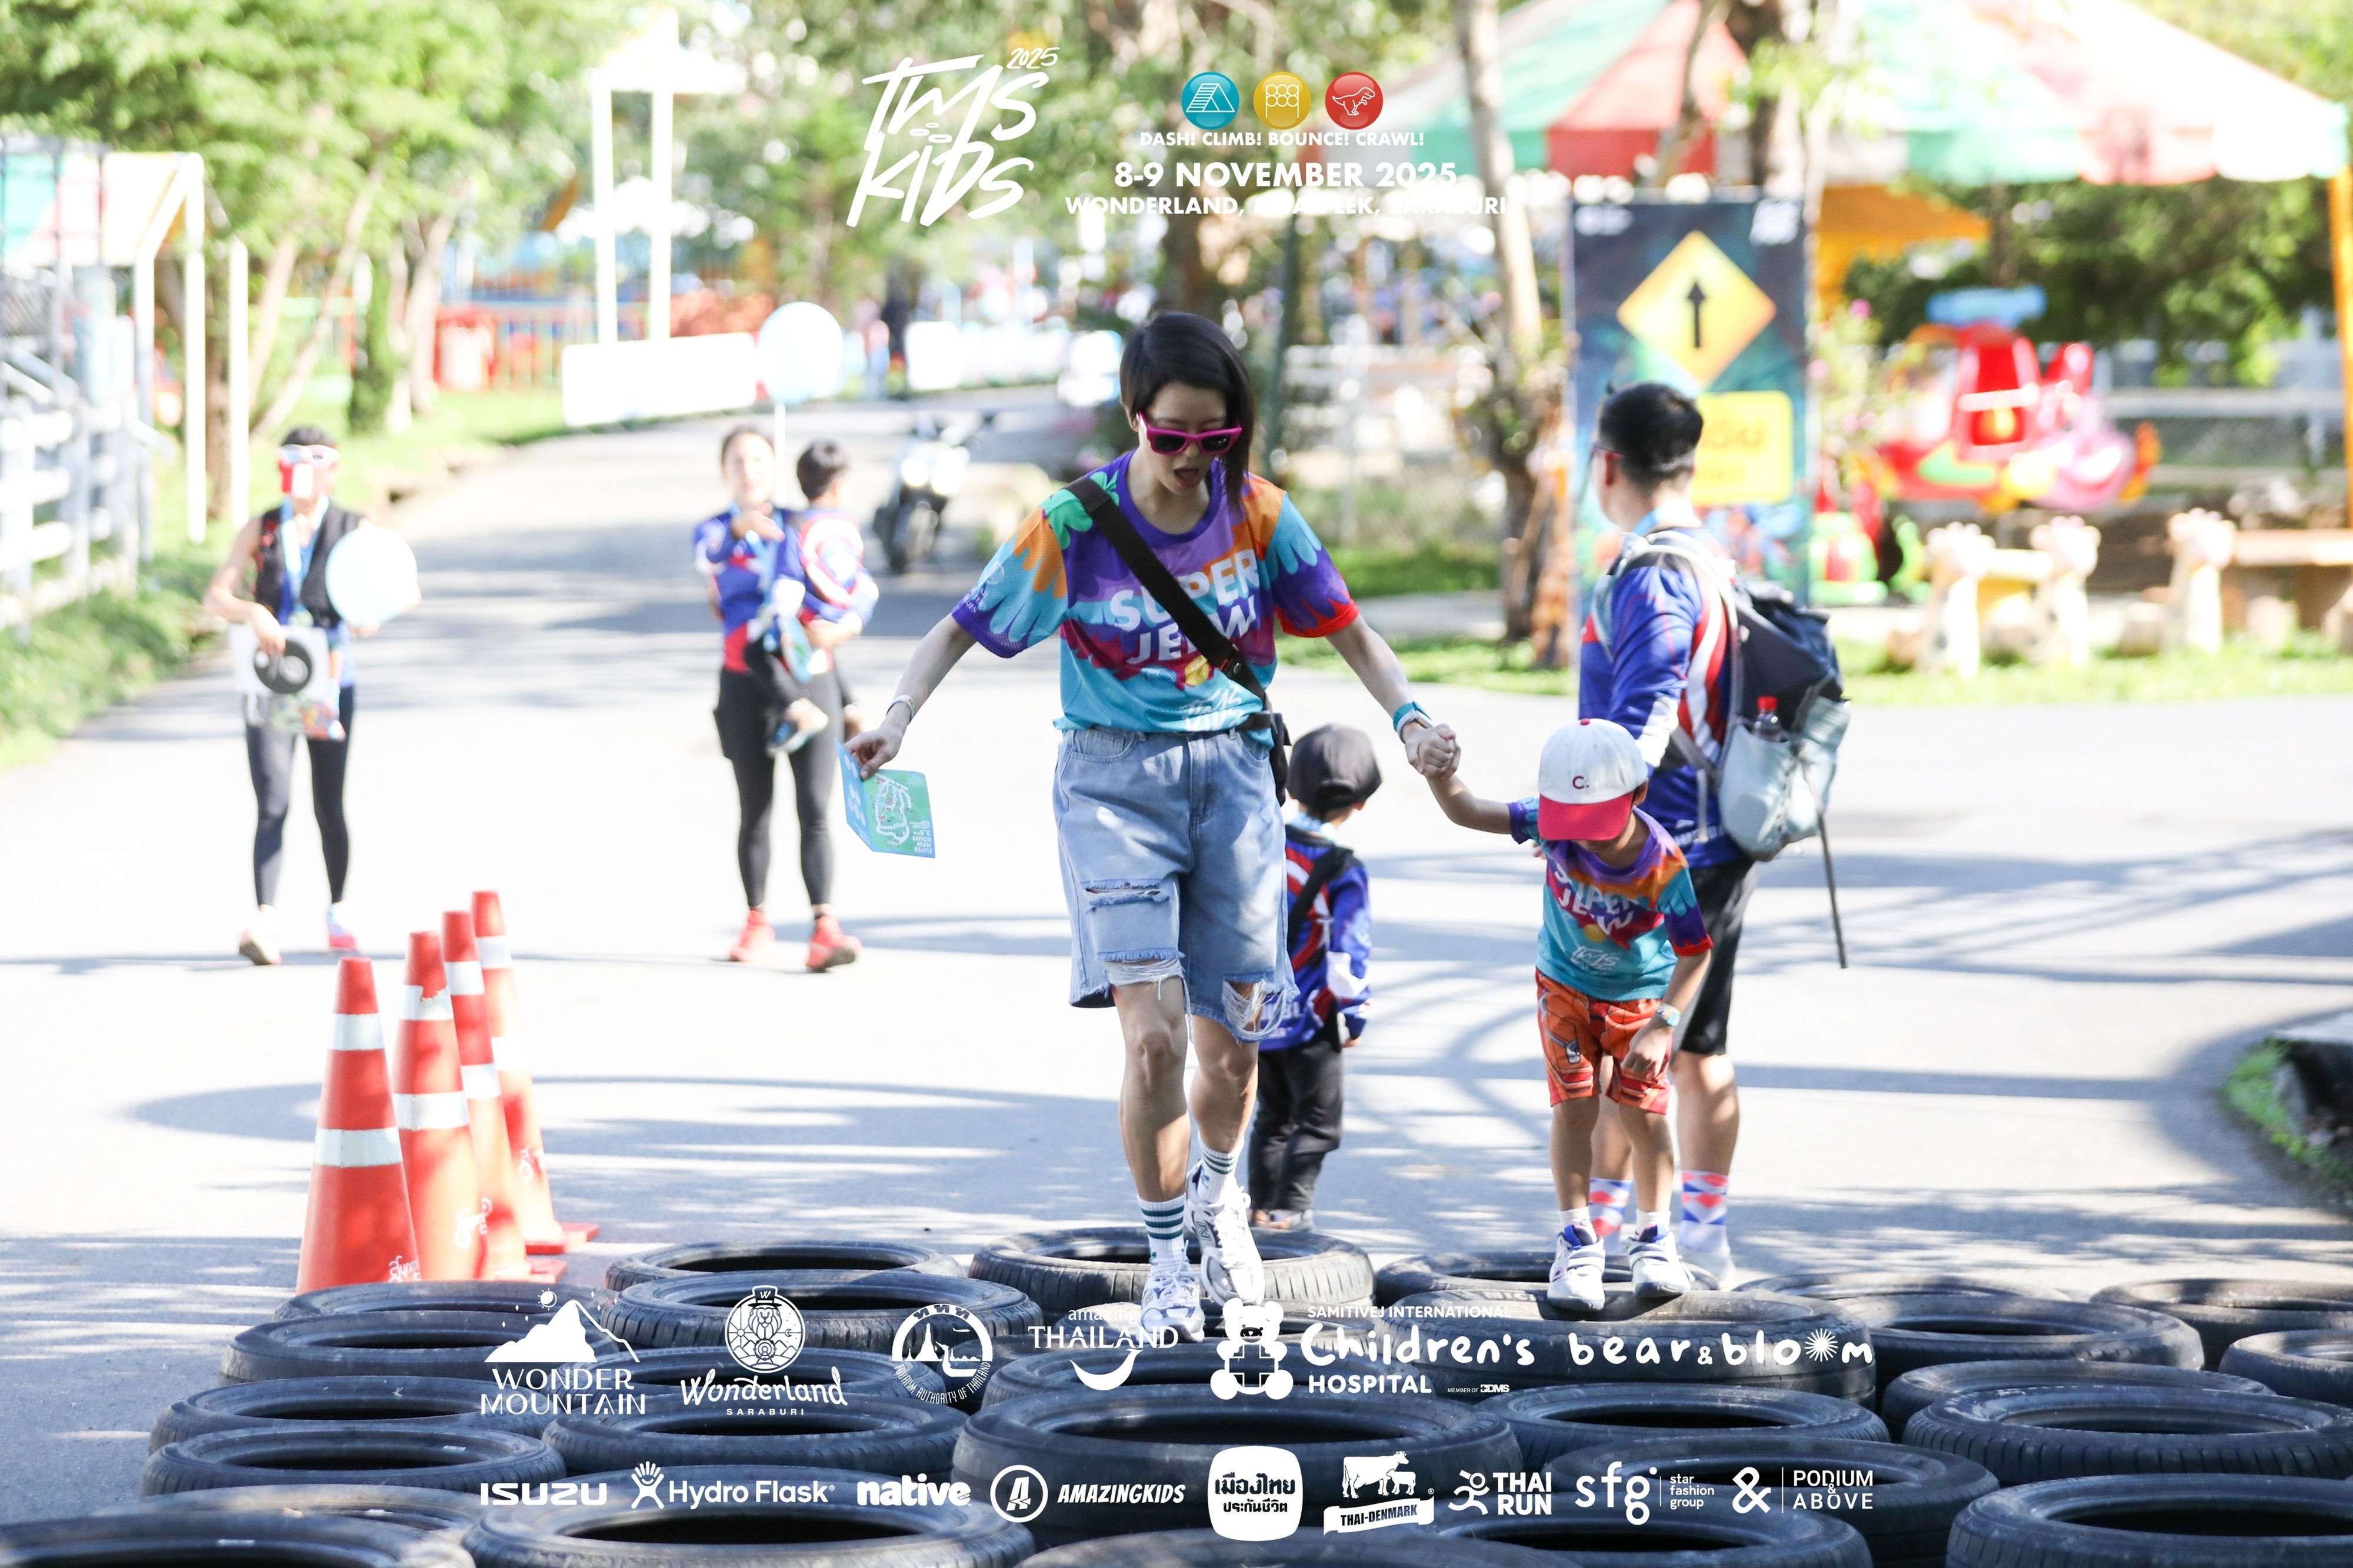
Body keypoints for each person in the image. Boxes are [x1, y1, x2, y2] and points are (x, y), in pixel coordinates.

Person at [847, 311, 1458, 1340]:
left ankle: (1222, 1199)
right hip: (1112, 787)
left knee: (1236, 1041)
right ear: (1135, 416)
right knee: (1154, 1039)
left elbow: (1353, 631)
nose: (1190, 457)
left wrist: (1412, 720)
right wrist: (897, 717)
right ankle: (1168, 1254)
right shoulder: (1075, 523)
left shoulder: (1260, 513)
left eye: (1214, 437)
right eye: (1171, 434)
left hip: (1234, 778)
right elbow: (961, 627)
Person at [1426, 718, 1711, 1309]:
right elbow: (1468, 811)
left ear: (1637, 794)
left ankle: (1654, 1239)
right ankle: (1577, 1239)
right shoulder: (1547, 820)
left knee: (1643, 1114)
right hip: (1563, 987)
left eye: (1596, 825)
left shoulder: (1662, 863)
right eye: (1571, 824)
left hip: (1639, 1001)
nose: (1583, 839)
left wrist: (1664, 1024)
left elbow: (1696, 952)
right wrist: (1441, 776)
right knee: (1574, 1107)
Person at [1577, 382, 1753, 1284]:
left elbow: (1646, 712)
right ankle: (1704, 1235)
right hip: (1717, 837)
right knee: (1699, 1048)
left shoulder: (1650, 572)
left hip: (1654, 849)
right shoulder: (1715, 555)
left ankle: (1614, 1239)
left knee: (1626, 1055)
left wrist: (1596, 820)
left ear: (1608, 464)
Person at [201, 426, 405, 965]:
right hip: (271, 677)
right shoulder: (264, 527)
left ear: (334, 470)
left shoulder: (354, 528)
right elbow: (215, 595)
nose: (306, 473)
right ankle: (265, 918)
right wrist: (253, 612)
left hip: (330, 679)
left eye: (318, 461)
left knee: (328, 801)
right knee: (272, 800)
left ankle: (338, 909)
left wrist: (369, 614)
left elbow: (400, 588)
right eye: (295, 460)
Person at [695, 425, 866, 971]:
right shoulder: (715, 532)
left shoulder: (807, 524)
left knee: (815, 808)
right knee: (755, 810)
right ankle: (757, 922)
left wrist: (846, 628)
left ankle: (824, 928)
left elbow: (854, 583)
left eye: (759, 460)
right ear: (724, 472)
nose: (749, 470)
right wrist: (740, 529)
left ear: (775, 466)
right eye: (738, 461)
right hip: (745, 683)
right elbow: (709, 555)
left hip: (812, 675)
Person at [1248, 724, 1380, 1233]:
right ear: (1360, 803)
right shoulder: (1343, 868)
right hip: (1311, 1018)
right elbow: (1348, 954)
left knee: (1272, 1116)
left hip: (1256, 1011)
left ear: (1293, 788)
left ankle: (1260, 1209)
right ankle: (1292, 1210)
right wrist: (1355, 1015)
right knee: (1319, 1123)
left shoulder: (1266, 844)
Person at [792, 438, 878, 741]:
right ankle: (851, 707)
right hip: (826, 631)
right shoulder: (844, 526)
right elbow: (861, 584)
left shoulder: (792, 523)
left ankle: (842, 706)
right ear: (840, 485)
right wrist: (848, 623)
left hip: (800, 630)